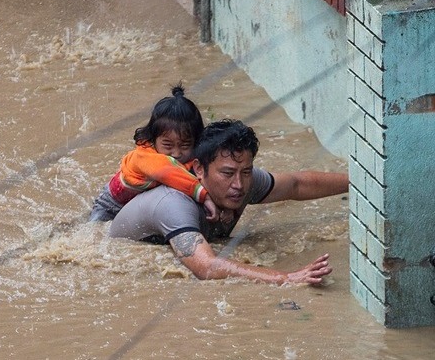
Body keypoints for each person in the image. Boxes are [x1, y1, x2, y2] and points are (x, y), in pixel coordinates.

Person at [109, 119, 349, 285]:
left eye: (246, 171)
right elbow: (207, 268)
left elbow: (296, 184)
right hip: (116, 253)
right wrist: (286, 278)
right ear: (199, 169)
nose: (239, 185)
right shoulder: (174, 204)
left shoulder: (243, 180)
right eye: (227, 173)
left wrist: (360, 182)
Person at [89, 84, 231, 223]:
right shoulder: (143, 156)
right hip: (110, 208)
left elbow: (211, 178)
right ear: (153, 139)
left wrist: (225, 206)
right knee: (94, 232)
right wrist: (205, 197)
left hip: (142, 208)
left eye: (185, 145)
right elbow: (167, 171)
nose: (176, 153)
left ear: (196, 142)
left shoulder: (194, 159)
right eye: (168, 145)